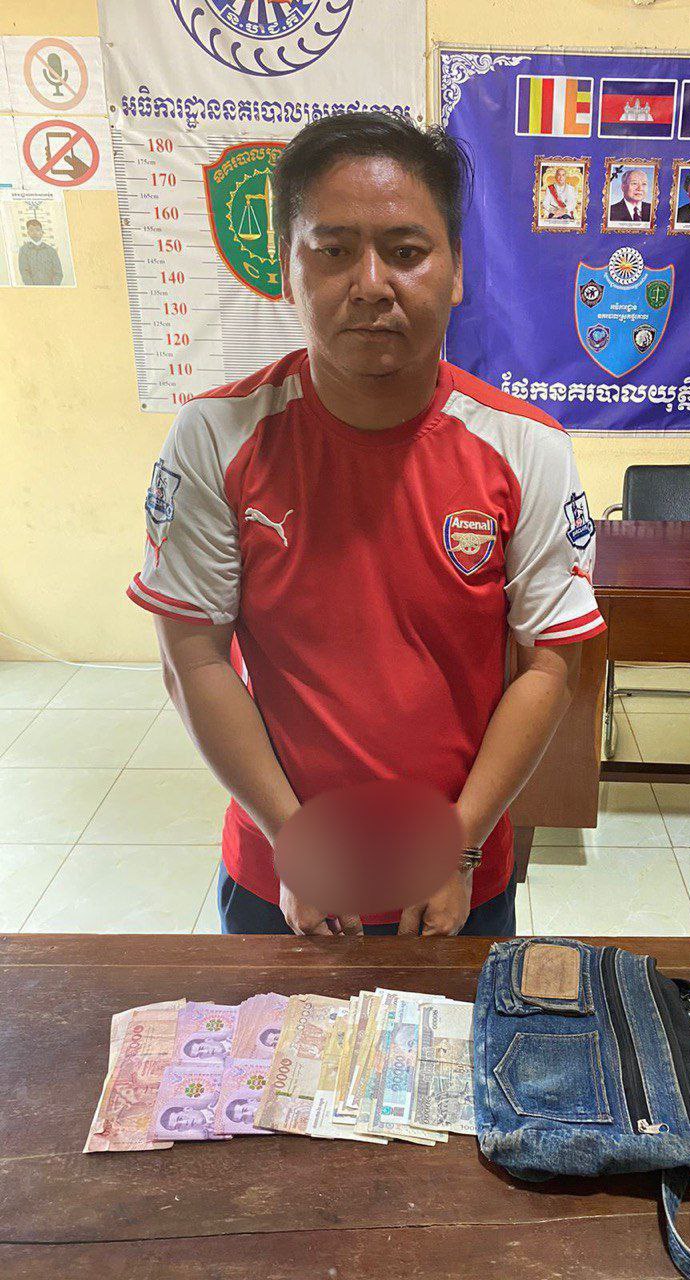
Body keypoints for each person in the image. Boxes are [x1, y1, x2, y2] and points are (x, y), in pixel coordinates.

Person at [127, 112, 605, 939]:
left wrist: (457, 846)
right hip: (281, 871)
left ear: (456, 270)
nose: (372, 284)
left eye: (407, 251)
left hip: (458, 875)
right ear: (287, 269)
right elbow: (191, 657)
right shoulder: (216, 437)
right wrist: (294, 841)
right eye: (333, 250)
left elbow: (548, 666)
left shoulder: (527, 448)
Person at [18, 218, 63, 286]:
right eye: (31, 230)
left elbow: (58, 273)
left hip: (50, 288)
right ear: (28, 233)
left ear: (42, 232)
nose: (35, 232)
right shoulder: (24, 250)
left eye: (37, 229)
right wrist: (33, 288)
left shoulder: (51, 251)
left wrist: (53, 287)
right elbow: (24, 273)